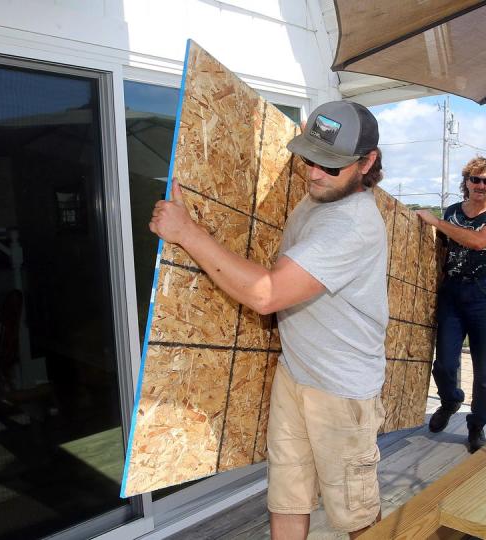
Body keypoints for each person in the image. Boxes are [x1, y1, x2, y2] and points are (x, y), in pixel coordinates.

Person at [150, 101, 388, 539]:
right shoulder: (324, 192)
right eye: (310, 158)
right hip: (296, 374)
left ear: (368, 162)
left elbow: (267, 294)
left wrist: (186, 233)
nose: (315, 174)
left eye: (331, 165)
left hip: (341, 391)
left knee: (356, 514)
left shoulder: (352, 224)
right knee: (287, 497)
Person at [414, 156, 486, 453]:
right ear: (466, 181)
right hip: (452, 292)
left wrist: (436, 222)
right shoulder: (453, 211)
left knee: (484, 371)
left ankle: (477, 423)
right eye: (475, 179)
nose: (481, 185)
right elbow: (441, 251)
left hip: (483, 296)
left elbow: (479, 242)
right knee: (444, 363)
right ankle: (450, 400)